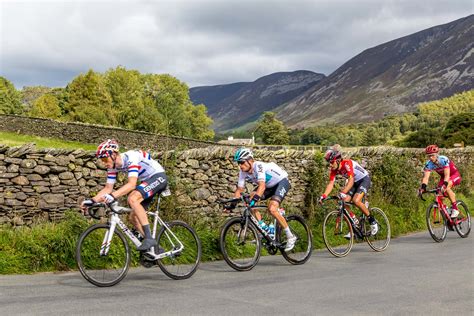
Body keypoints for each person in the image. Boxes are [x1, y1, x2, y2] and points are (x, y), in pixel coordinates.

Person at [81, 139, 168, 251]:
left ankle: (149, 239)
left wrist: (113, 196)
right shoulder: (113, 167)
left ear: (114, 154)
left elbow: (131, 184)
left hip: (158, 176)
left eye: (104, 158)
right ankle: (155, 249)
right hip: (147, 181)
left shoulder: (131, 157)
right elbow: (108, 188)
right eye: (101, 159)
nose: (103, 162)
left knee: (132, 198)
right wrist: (92, 201)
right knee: (133, 217)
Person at [231, 148, 297, 252]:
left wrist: (254, 200)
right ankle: (264, 229)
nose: (240, 165)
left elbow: (261, 187)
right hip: (268, 186)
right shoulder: (242, 172)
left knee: (272, 208)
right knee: (250, 200)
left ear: (250, 160)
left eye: (242, 162)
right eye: (238, 163)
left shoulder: (258, 166)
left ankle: (290, 236)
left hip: (281, 182)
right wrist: (232, 203)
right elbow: (239, 190)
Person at [319, 147, 379, 236]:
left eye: (331, 162)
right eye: (329, 163)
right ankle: (355, 223)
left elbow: (350, 180)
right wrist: (324, 195)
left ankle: (372, 221)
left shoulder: (347, 163)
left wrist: (343, 192)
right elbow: (331, 183)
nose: (330, 165)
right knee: (343, 201)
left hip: (363, 180)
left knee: (356, 200)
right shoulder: (334, 170)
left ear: (338, 160)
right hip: (354, 182)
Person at [418, 144, 461, 218]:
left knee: (446, 188)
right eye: (429, 156)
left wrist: (444, 185)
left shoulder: (443, 159)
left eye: (432, 155)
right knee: (438, 194)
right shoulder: (429, 164)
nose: (431, 158)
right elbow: (426, 177)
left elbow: (447, 175)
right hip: (443, 177)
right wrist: (423, 188)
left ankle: (455, 209)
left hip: (454, 175)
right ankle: (447, 210)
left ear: (437, 154)